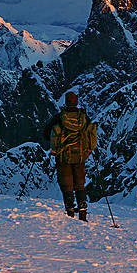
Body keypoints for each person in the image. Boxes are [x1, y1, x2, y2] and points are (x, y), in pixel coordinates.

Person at [42, 92, 94, 221]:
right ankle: (83, 212)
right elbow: (91, 133)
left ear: (66, 102)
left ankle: (70, 212)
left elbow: (46, 133)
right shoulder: (84, 117)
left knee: (67, 184)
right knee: (80, 184)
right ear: (76, 102)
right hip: (80, 156)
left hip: (63, 156)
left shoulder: (60, 117)